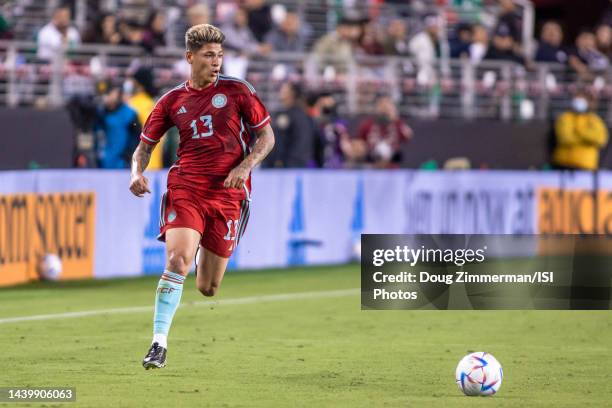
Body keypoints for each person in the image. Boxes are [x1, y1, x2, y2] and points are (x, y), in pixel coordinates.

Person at [130, 24, 275, 369]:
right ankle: (158, 343)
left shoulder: (239, 92)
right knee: (177, 261)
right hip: (187, 188)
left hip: (228, 194)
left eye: (220, 55)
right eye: (209, 55)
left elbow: (266, 137)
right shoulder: (171, 101)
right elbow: (144, 148)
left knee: (208, 287)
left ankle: (198, 255)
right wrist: (136, 173)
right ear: (190, 57)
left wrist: (245, 166)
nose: (216, 62)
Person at [552, 90, 608, 171]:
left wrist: (579, 131)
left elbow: (601, 139)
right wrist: (588, 140)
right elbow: (565, 138)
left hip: (587, 166)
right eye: (577, 98)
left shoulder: (594, 119)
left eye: (582, 98)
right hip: (564, 165)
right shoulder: (565, 118)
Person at [355, 95, 413, 168]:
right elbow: (359, 142)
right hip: (373, 166)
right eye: (381, 106)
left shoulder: (397, 124)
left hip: (392, 167)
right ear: (377, 108)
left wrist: (396, 119)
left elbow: (408, 135)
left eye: (387, 106)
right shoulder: (367, 124)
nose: (384, 109)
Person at [267, 82, 315, 167]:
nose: (281, 91)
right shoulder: (304, 115)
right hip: (300, 164)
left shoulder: (289, 116)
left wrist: (279, 160)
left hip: (287, 165)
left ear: (291, 93)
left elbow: (280, 141)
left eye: (284, 89)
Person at [96, 83, 141, 169]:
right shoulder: (101, 114)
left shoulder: (129, 114)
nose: (106, 97)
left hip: (122, 164)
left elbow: (138, 137)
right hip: (103, 164)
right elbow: (97, 137)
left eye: (109, 93)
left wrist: (129, 156)